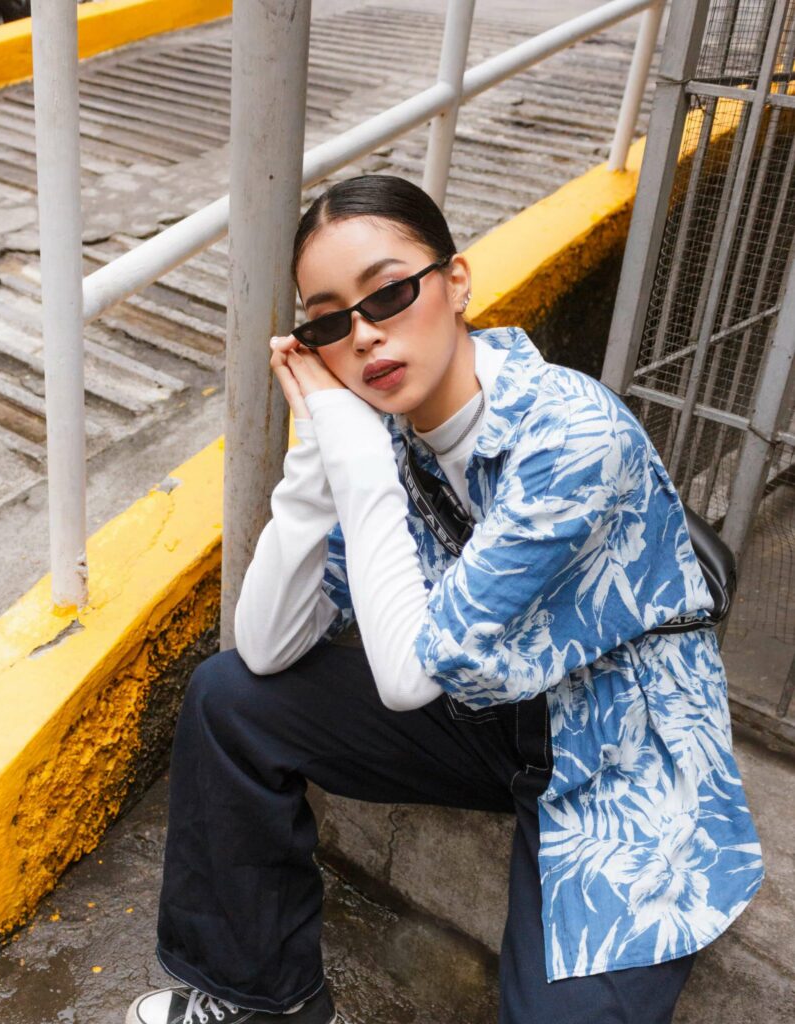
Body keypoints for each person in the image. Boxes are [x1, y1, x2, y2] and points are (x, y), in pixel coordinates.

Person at [127, 174, 764, 1024]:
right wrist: (317, 457)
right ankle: (261, 1003)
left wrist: (358, 463)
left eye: (389, 293)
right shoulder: (384, 435)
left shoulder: (576, 437)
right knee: (228, 697)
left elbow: (406, 679)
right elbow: (269, 645)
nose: (363, 336)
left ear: (456, 282)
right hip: (486, 714)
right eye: (328, 321)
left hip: (617, 747)